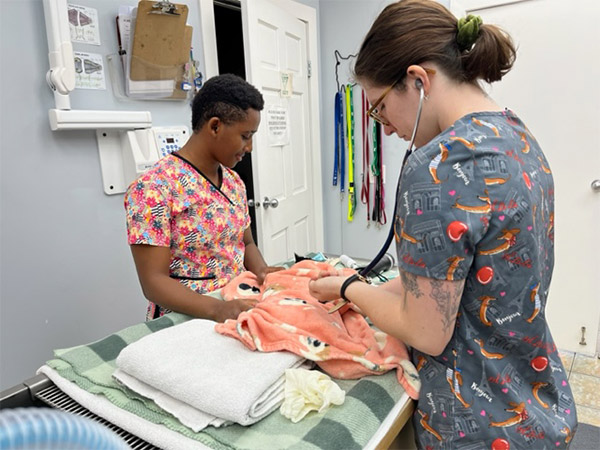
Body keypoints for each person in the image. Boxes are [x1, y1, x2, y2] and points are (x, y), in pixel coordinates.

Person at [309, 1, 578, 448]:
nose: (387, 128)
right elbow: (459, 278)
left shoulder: (440, 165)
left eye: (379, 108)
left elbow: (426, 333)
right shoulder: (517, 137)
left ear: (417, 79)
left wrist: (346, 290)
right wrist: (359, 281)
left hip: (477, 423)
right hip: (534, 403)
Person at [125, 74, 281, 322]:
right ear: (215, 126)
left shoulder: (233, 182)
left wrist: (262, 272)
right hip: (186, 318)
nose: (249, 147)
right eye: (245, 136)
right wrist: (216, 309)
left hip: (235, 303)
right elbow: (153, 282)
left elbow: (246, 243)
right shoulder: (154, 188)